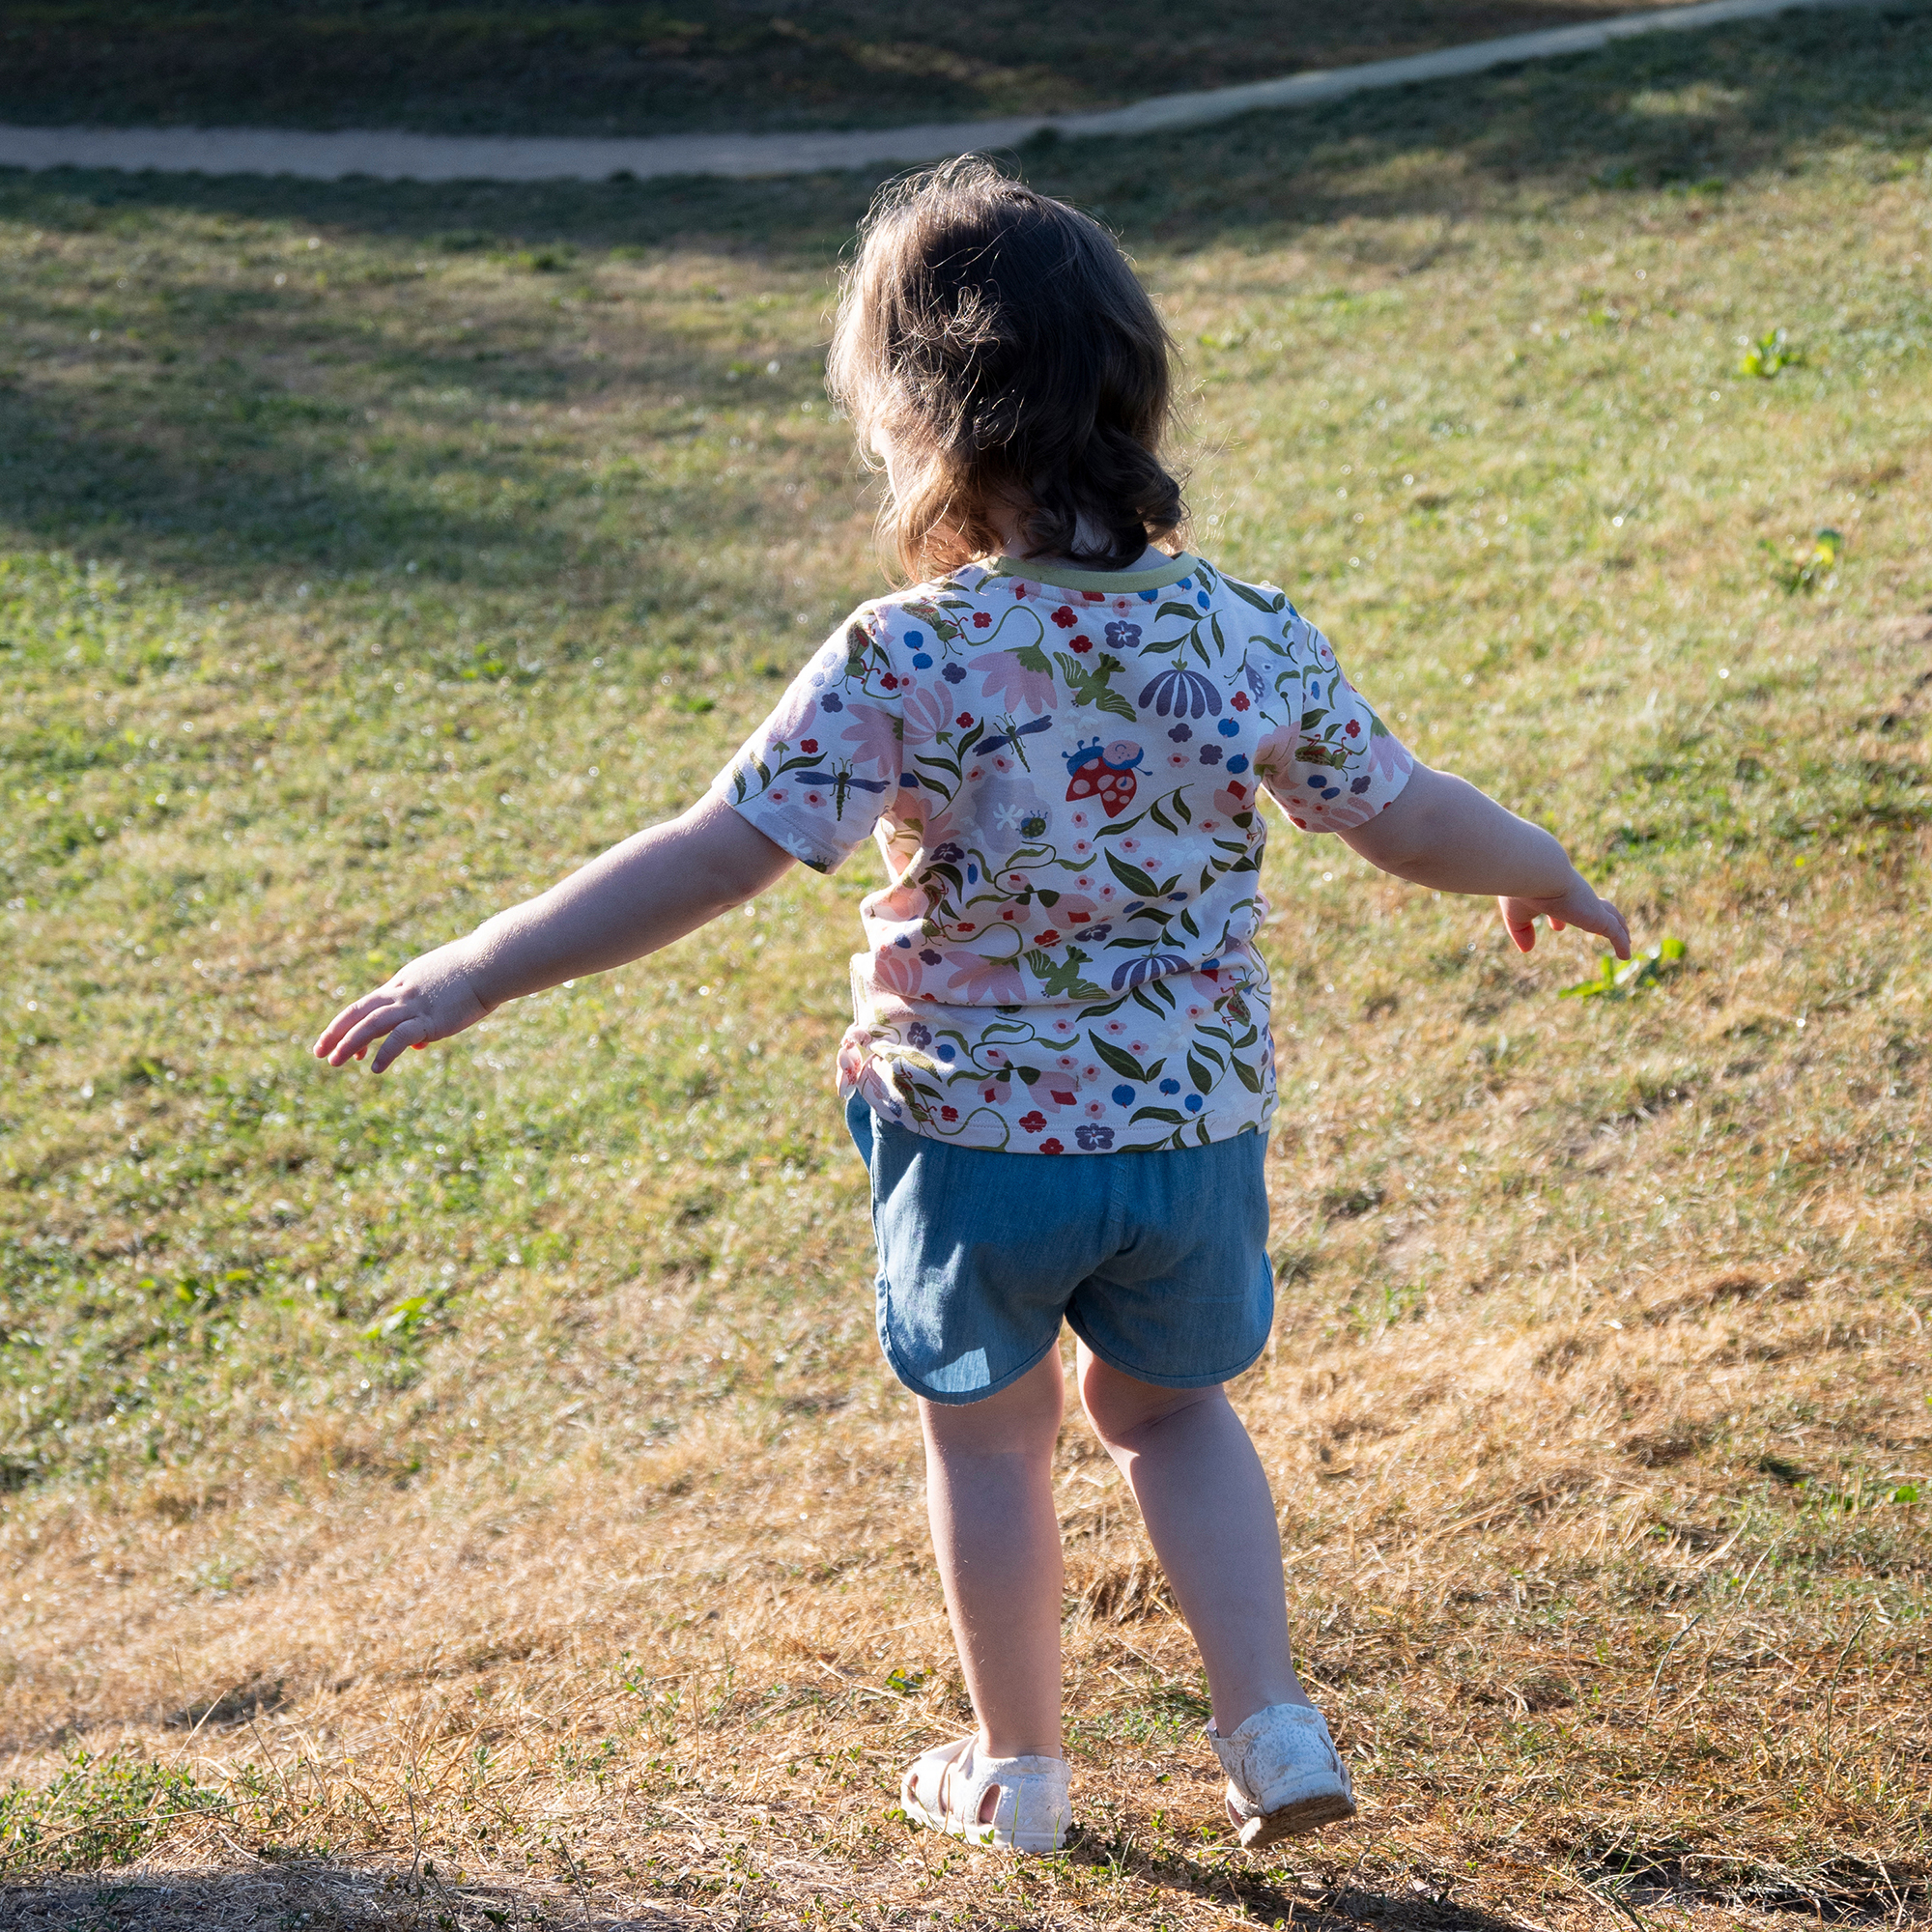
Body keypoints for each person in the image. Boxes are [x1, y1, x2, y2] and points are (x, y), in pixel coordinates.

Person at [313, 156, 1630, 1858]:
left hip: (978, 1139)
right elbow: (1405, 809)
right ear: (1128, 389)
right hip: (1190, 1132)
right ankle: (1276, 1732)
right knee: (1173, 1414)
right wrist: (1543, 864)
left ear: (919, 424)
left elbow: (712, 855)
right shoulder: (1240, 629)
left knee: (994, 1449)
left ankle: (1021, 1775)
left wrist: (479, 965)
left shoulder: (905, 654)